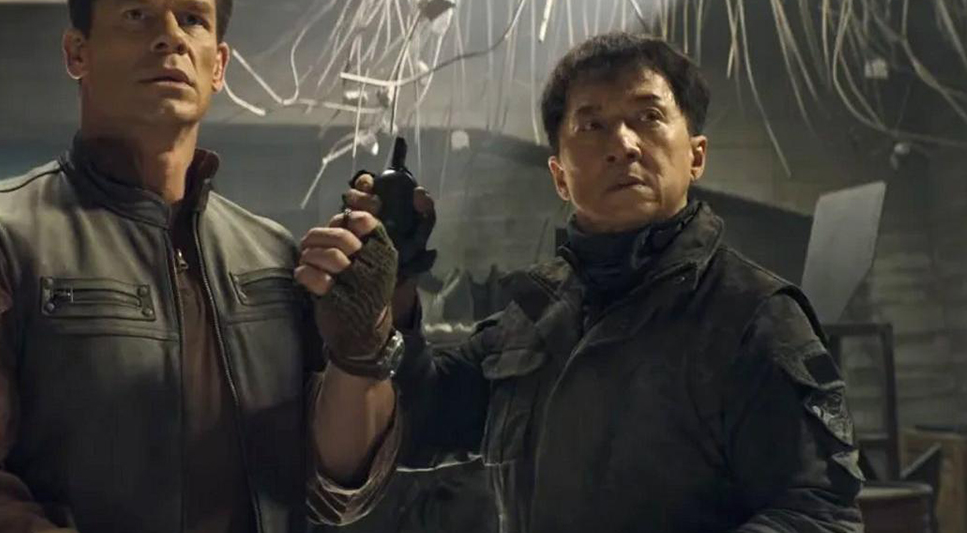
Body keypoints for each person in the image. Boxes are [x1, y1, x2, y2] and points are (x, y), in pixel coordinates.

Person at [0, 0, 396, 532]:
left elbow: (338, 486)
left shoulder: (272, 256)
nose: (170, 37)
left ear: (217, 64)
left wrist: (362, 350)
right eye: (137, 15)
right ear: (77, 51)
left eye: (193, 19)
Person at [303, 32, 865, 532]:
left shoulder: (753, 316)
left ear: (696, 156)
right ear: (559, 176)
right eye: (592, 125)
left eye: (648, 117)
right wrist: (394, 290)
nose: (623, 144)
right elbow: (422, 416)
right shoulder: (536, 315)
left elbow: (817, 514)